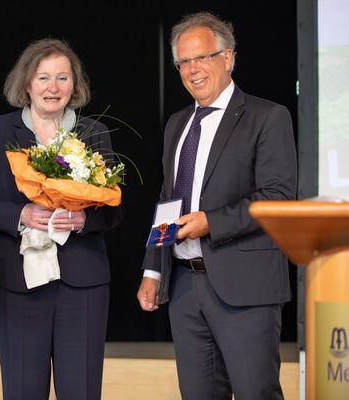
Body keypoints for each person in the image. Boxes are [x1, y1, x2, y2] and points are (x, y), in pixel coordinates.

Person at [136, 12, 297, 400]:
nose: (192, 70)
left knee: (255, 392)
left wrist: (211, 222)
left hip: (246, 290)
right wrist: (154, 271)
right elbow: (167, 201)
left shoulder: (268, 117)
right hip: (186, 288)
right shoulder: (177, 124)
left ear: (227, 58)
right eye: (184, 62)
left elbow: (277, 198)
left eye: (202, 58)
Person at [0, 38, 123, 400]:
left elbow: (113, 209)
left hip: (82, 286)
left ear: (75, 86)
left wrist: (84, 220)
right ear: (26, 84)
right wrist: (20, 213)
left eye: (63, 78)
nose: (53, 88)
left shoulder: (94, 133)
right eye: (44, 77)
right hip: (17, 287)